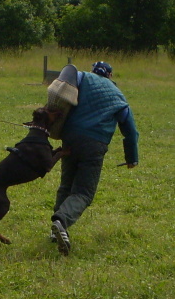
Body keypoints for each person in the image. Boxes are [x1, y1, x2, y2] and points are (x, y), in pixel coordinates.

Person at [50, 61, 139, 256]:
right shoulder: (118, 95)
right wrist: (132, 158)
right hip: (94, 144)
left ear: (93, 72)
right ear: (110, 76)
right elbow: (130, 131)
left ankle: (54, 229)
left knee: (66, 184)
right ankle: (61, 221)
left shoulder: (82, 78)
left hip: (70, 137)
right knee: (83, 192)